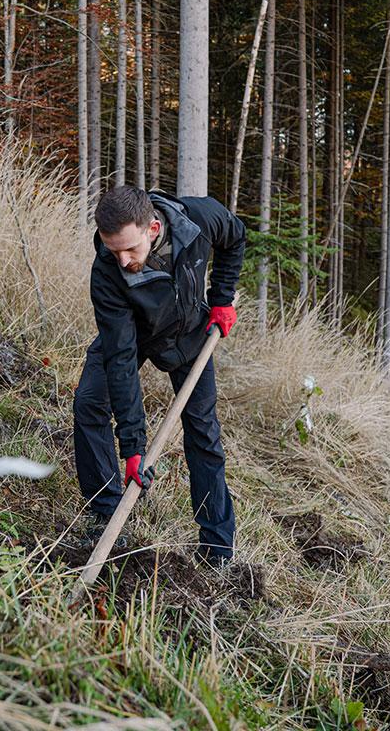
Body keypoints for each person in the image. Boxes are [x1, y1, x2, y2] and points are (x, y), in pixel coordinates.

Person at [73, 185, 245, 567]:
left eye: (130, 249)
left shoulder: (199, 219)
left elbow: (235, 237)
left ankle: (217, 547)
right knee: (89, 402)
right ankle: (106, 513)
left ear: (152, 228)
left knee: (202, 430)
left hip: (187, 333)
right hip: (130, 336)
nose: (122, 260)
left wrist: (221, 297)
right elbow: (120, 359)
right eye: (112, 249)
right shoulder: (106, 272)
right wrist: (133, 448)